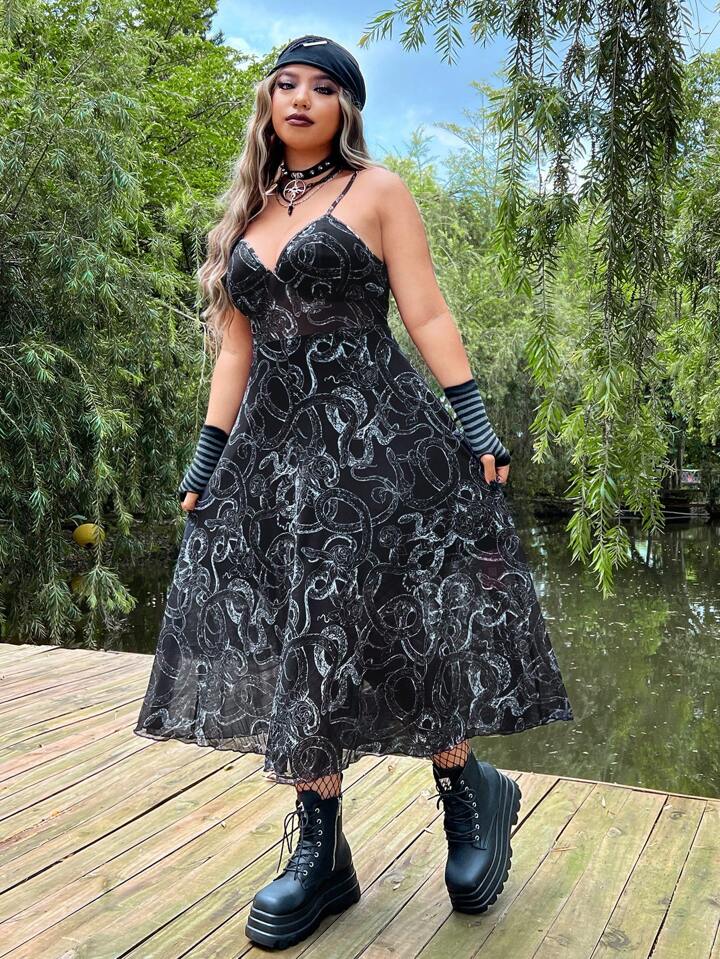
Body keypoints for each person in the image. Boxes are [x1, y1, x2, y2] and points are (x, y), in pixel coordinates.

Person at [134, 34, 574, 951]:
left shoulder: (377, 191)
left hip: (382, 449)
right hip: (280, 462)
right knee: (307, 633)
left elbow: (426, 309)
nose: (301, 98)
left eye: (323, 87)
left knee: (405, 620)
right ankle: (322, 852)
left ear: (346, 106)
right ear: (268, 102)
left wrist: (476, 422)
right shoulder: (247, 213)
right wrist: (207, 458)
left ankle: (467, 791)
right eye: (286, 84)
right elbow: (235, 351)